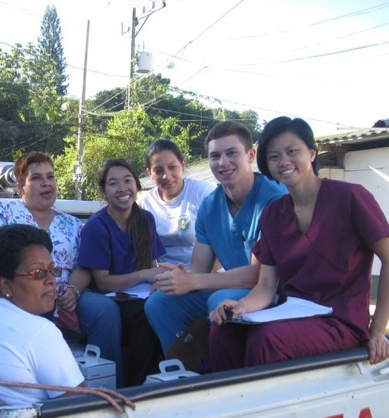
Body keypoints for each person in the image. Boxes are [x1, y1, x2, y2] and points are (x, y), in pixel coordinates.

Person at [208, 116, 389, 370]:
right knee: (223, 331)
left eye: (292, 151)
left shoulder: (350, 197)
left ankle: (264, 408)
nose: (284, 162)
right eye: (274, 156)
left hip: (340, 319)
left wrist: (377, 330)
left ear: (311, 153)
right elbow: (266, 286)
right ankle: (229, 406)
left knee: (268, 340)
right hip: (294, 313)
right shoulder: (274, 214)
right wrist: (239, 308)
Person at [0, 151, 122, 382]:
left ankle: (108, 382)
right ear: (21, 185)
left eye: (50, 177)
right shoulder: (3, 211)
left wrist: (74, 290)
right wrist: (22, 251)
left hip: (63, 294)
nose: (46, 183)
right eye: (37, 178)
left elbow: (84, 266)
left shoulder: (72, 223)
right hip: (19, 293)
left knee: (105, 309)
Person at [145, 121, 287, 358]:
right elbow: (200, 267)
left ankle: (225, 376)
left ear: (250, 155)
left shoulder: (273, 200)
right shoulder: (210, 205)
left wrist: (194, 282)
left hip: (272, 291)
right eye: (215, 156)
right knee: (159, 302)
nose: (223, 162)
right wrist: (175, 278)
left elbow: (260, 275)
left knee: (220, 299)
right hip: (232, 286)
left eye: (232, 153)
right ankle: (189, 370)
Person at [0, 224, 85, 405]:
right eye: (37, 272)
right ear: (5, 285)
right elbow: (80, 408)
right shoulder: (40, 332)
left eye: (52, 270)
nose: (52, 280)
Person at [78, 159, 166, 386]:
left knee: (170, 304)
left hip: (143, 294)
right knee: (143, 315)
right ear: (104, 192)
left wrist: (158, 281)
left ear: (137, 185)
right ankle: (134, 386)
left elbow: (153, 265)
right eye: (113, 183)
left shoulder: (145, 219)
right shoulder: (96, 226)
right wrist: (143, 275)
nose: (122, 188)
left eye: (128, 181)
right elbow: (103, 282)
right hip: (112, 298)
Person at [137, 138, 216, 268]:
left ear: (183, 164)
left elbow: (223, 244)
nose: (166, 176)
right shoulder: (145, 202)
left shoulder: (204, 192)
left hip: (204, 274)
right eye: (158, 170)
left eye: (172, 167)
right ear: (149, 173)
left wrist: (200, 279)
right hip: (164, 276)